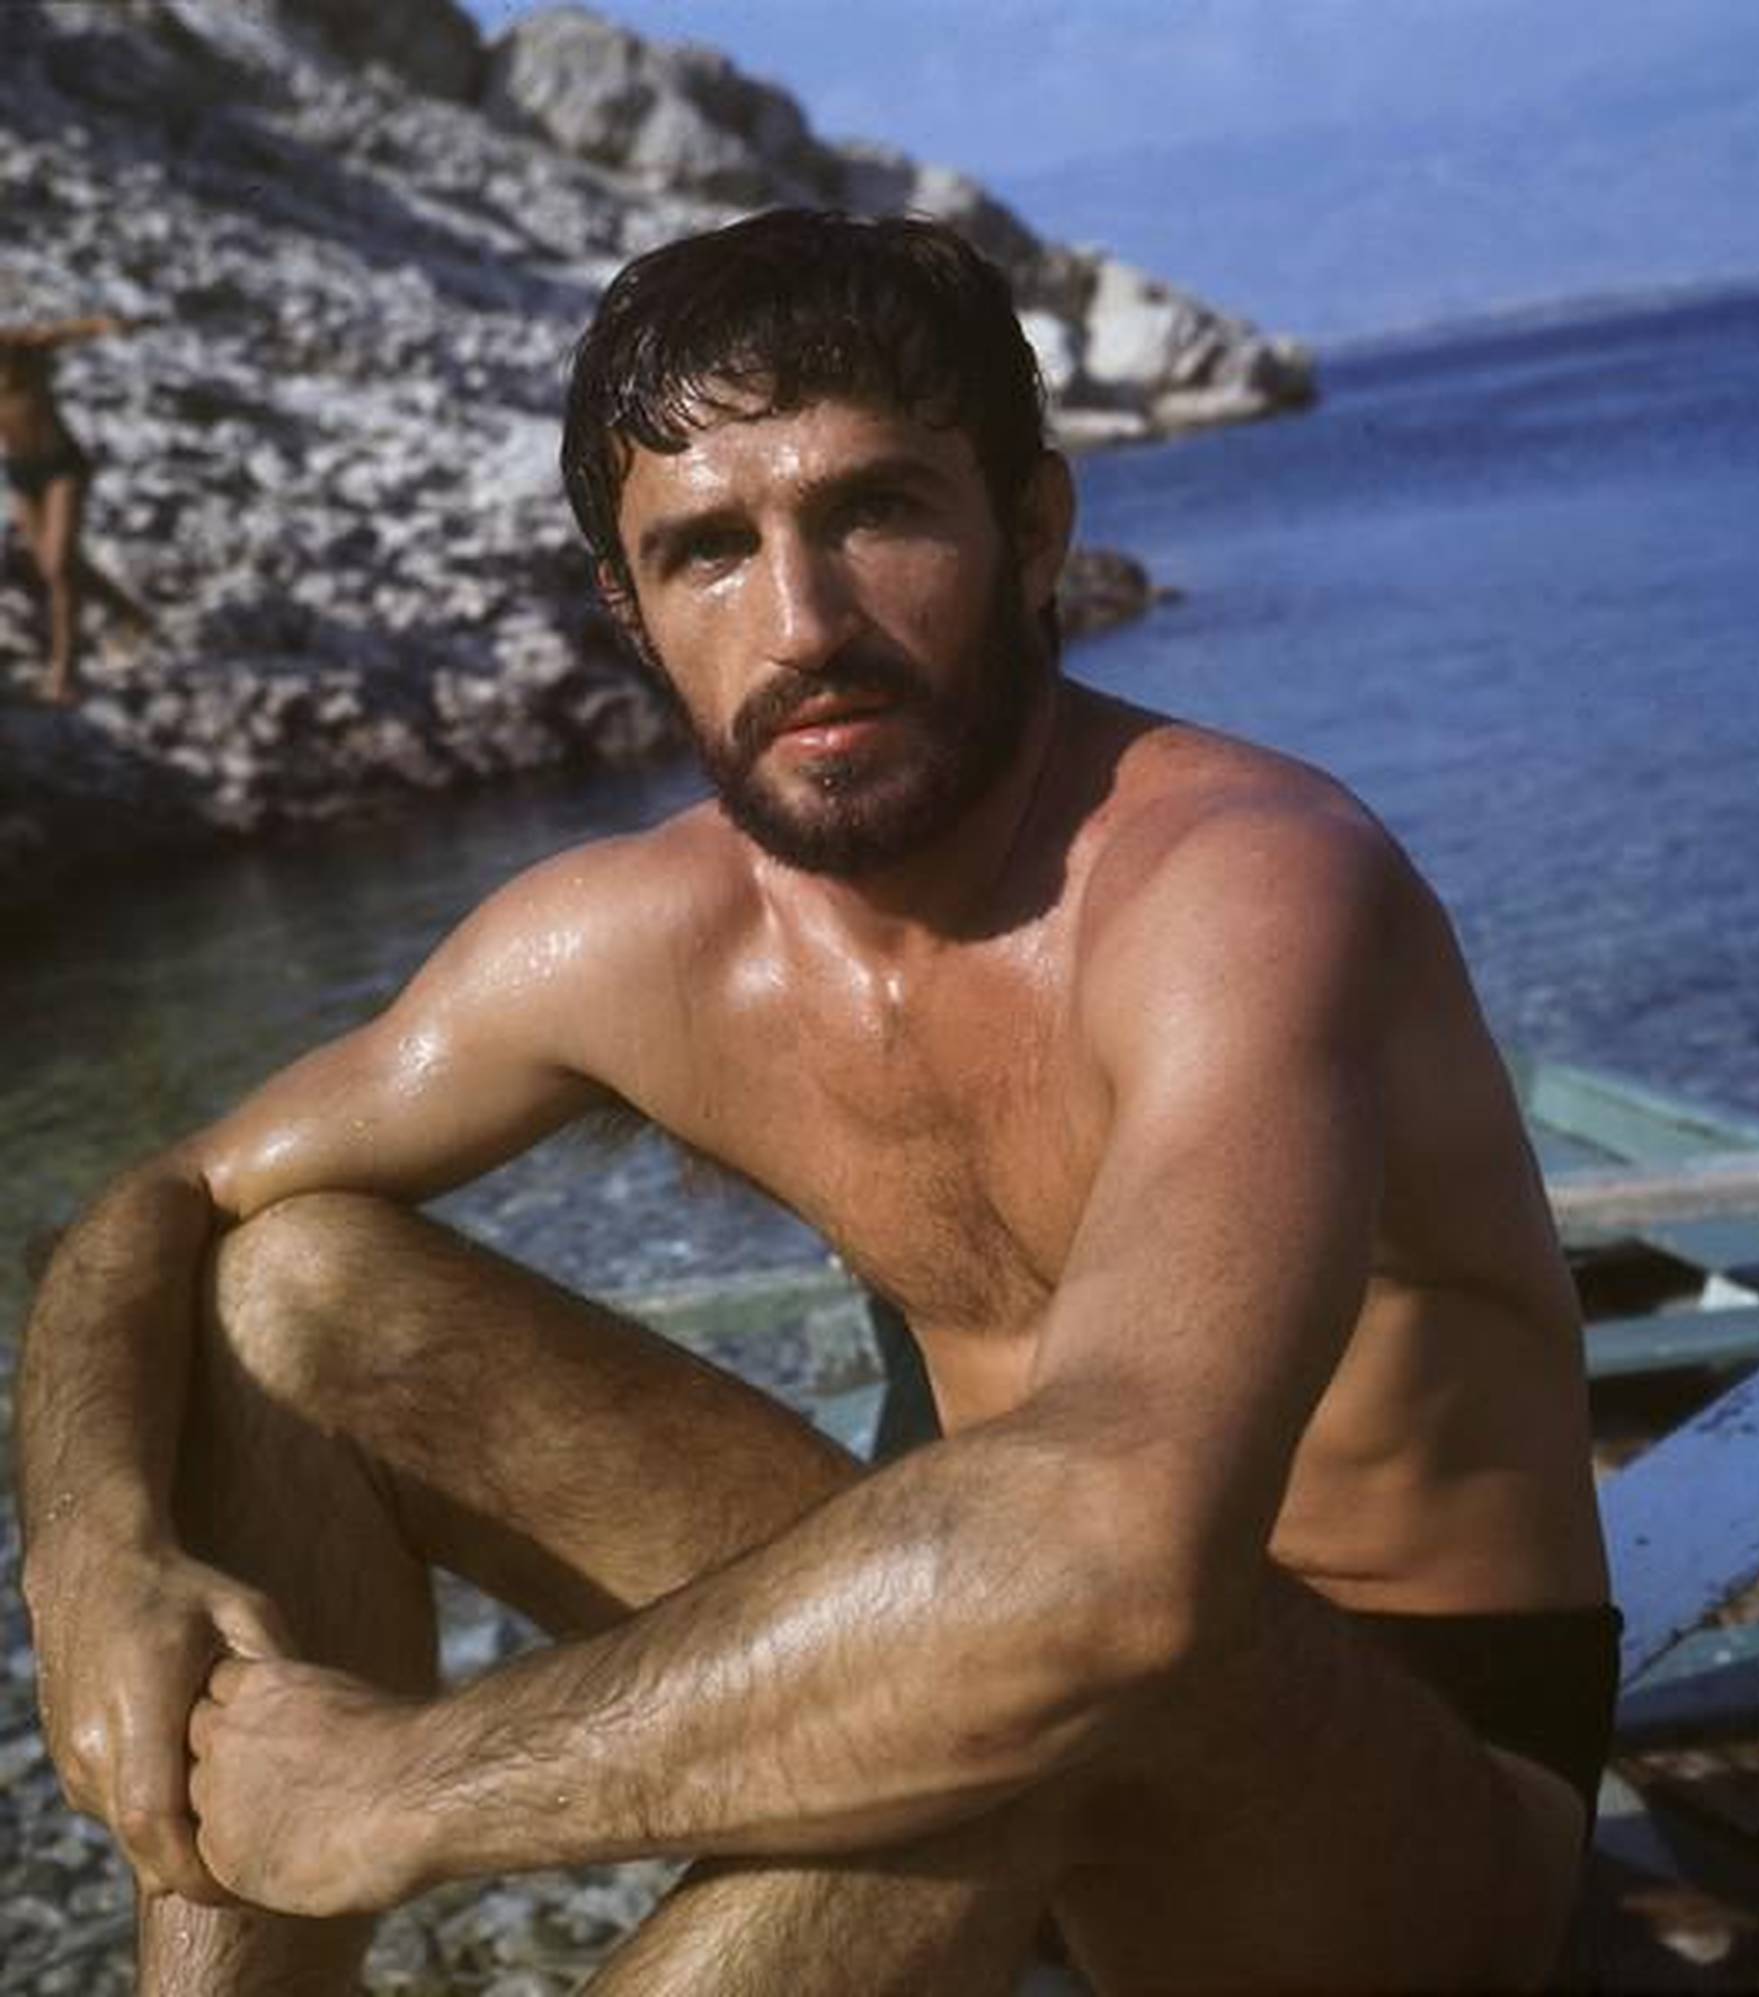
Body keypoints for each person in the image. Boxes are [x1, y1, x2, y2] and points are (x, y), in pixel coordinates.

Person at [16, 210, 1615, 1995]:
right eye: (709, 550)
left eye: (875, 511)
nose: (804, 623)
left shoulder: (1238, 887)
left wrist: (408, 1787)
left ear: (1034, 532)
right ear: (631, 614)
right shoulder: (637, 941)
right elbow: (155, 1199)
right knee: (284, 1290)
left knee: (1022, 1657)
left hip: (1391, 1800)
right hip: (1010, 1631)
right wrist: (94, 1571)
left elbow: (1123, 1568)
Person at [0, 311, 151, 704]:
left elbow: (76, 329)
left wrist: (110, 326)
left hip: (62, 467)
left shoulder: (24, 345)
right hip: (20, 473)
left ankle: (64, 671)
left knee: (58, 566)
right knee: (53, 565)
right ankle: (132, 614)